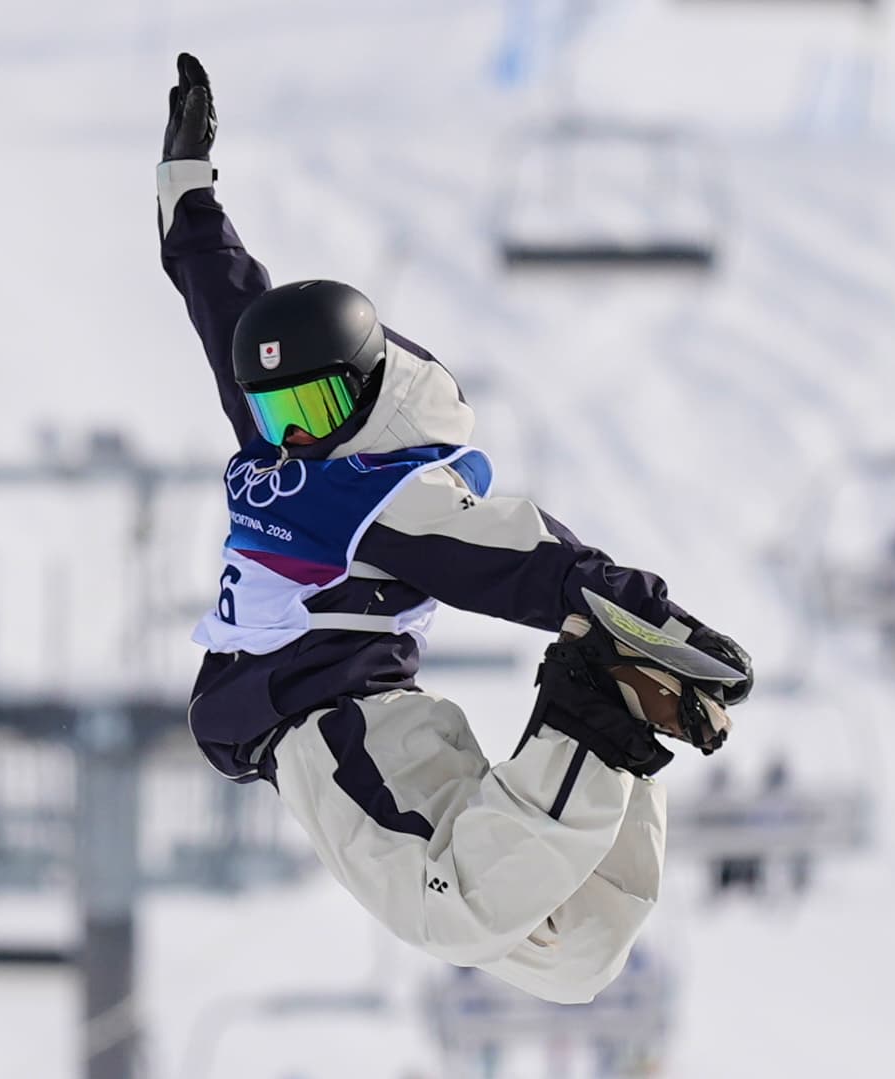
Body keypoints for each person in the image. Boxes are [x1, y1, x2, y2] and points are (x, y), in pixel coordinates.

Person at [157, 54, 752, 1004]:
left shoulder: (370, 491)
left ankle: (590, 716)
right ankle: (605, 729)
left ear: (366, 393)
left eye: (312, 408)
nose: (292, 435)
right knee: (574, 949)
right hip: (381, 721)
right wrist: (187, 191)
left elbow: (518, 559)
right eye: (275, 412)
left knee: (454, 911)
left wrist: (648, 617)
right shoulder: (290, 448)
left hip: (326, 726)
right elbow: (221, 303)